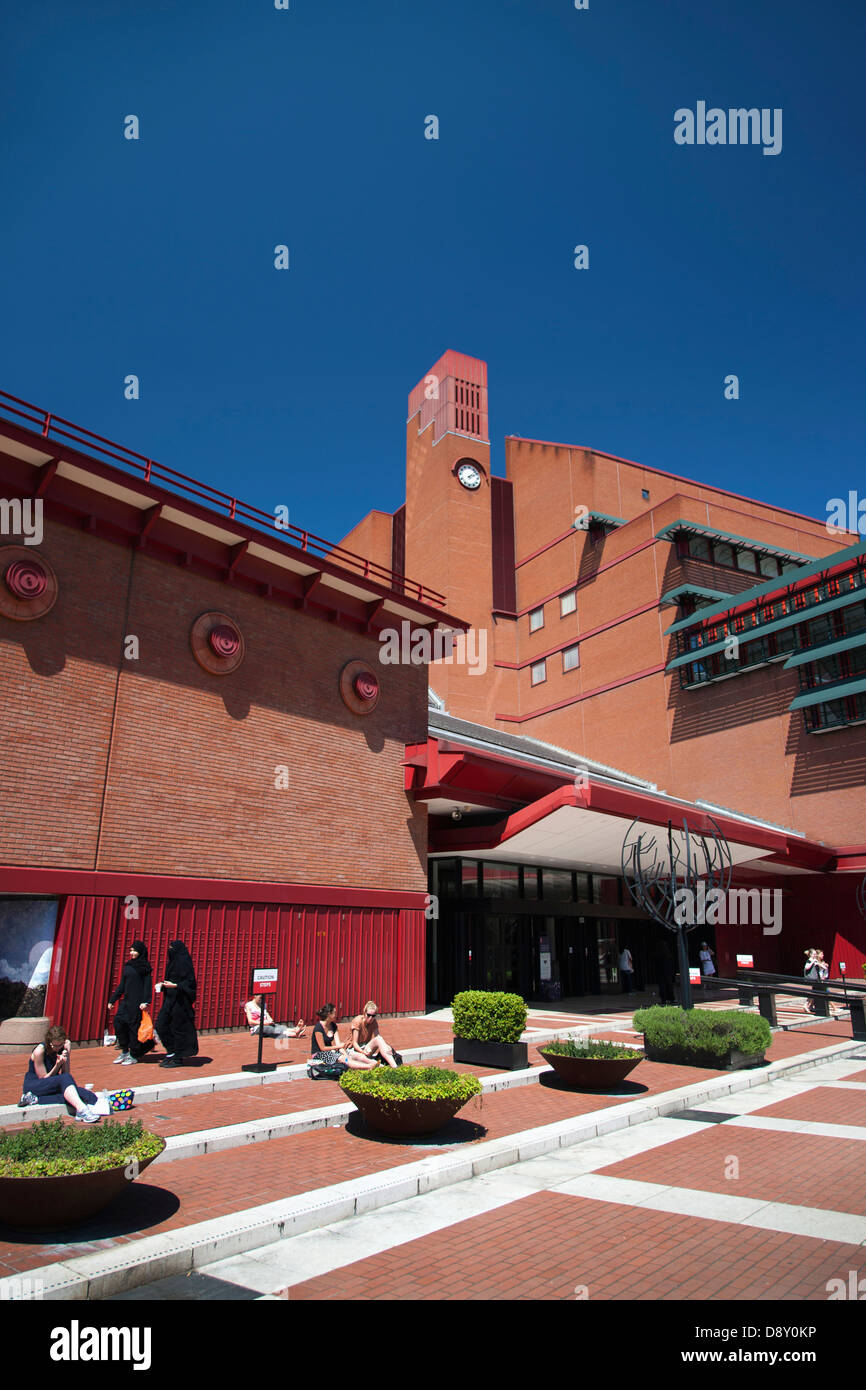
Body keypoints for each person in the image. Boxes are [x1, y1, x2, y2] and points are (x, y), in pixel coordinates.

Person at [18, 1025, 101, 1121]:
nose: (57, 1048)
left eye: (60, 1045)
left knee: (87, 1095)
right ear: (49, 1042)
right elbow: (44, 1078)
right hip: (35, 1085)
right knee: (69, 1086)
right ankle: (82, 1110)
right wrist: (57, 1065)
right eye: (54, 1046)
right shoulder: (39, 1051)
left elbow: (66, 1074)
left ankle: (34, 1099)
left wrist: (67, 1055)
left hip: (54, 1083)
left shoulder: (64, 1047)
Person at [108, 939, 153, 1065]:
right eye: (131, 950)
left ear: (140, 952)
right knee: (119, 1023)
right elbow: (122, 985)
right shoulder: (128, 966)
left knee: (133, 1028)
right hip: (126, 1001)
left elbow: (147, 986)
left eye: (134, 950)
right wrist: (113, 999)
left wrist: (146, 1002)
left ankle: (133, 1054)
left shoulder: (145, 967)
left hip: (137, 1003)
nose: (132, 953)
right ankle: (124, 1050)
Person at [155, 940, 198, 1068]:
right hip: (169, 1001)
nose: (169, 950)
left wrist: (176, 986)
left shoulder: (185, 964)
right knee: (161, 1025)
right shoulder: (172, 964)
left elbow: (190, 984)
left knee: (178, 1029)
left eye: (171, 948)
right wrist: (162, 985)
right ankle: (171, 1051)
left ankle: (178, 1057)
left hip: (181, 1003)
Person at [311, 1002, 374, 1070]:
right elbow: (322, 1048)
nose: (336, 1015)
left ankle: (370, 1063)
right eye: (334, 1013)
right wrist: (338, 1047)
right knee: (343, 1059)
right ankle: (368, 1066)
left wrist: (345, 1053)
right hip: (319, 1054)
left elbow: (338, 1044)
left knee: (349, 1055)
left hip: (330, 1052)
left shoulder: (333, 1026)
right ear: (329, 1014)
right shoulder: (318, 1028)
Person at [348, 1001, 398, 1068]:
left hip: (365, 1047)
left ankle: (394, 1066)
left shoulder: (374, 1022)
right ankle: (382, 1067)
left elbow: (378, 1037)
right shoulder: (357, 1021)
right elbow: (354, 1043)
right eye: (368, 1015)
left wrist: (386, 1046)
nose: (371, 1018)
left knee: (379, 1039)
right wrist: (362, 1052)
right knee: (361, 1057)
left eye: (373, 1016)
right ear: (364, 1013)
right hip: (353, 1050)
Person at [652, 937, 676, 1005]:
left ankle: (663, 999)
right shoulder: (668, 954)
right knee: (669, 985)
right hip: (668, 972)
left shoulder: (657, 954)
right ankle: (671, 998)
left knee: (662, 986)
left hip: (660, 972)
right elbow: (672, 964)